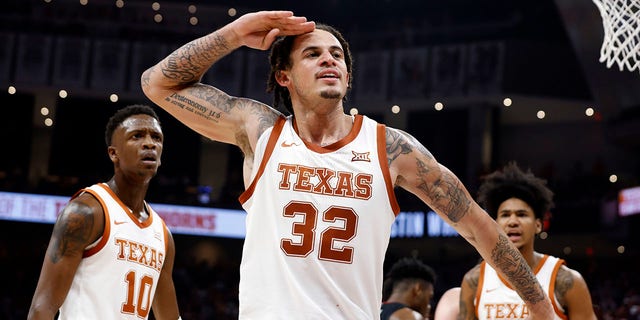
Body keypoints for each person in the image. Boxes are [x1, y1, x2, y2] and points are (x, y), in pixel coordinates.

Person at [141, 10, 554, 319]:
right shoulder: (261, 130)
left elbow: (479, 227)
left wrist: (541, 307)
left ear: (348, 76)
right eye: (313, 54)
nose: (329, 60)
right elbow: (157, 83)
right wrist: (233, 34)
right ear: (283, 76)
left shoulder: (391, 148)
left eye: (337, 55)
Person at [28, 105, 181, 320]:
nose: (149, 143)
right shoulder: (86, 212)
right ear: (113, 153)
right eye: (136, 136)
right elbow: (42, 308)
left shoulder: (163, 235)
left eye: (156, 137)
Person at [459, 162, 597, 319]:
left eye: (521, 214)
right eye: (505, 215)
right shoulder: (474, 280)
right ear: (495, 224)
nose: (513, 221)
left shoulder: (566, 280)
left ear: (538, 225)